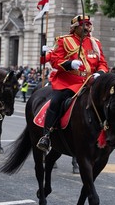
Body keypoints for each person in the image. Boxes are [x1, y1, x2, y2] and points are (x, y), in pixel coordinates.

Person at [36, 15, 108, 152]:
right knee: (56, 101)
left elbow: (102, 63)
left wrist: (100, 73)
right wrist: (69, 64)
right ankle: (46, 135)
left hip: (90, 82)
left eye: (88, 25)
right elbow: (55, 61)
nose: (87, 28)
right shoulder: (64, 41)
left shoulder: (95, 43)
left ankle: (109, 133)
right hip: (68, 82)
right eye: (84, 25)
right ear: (75, 27)